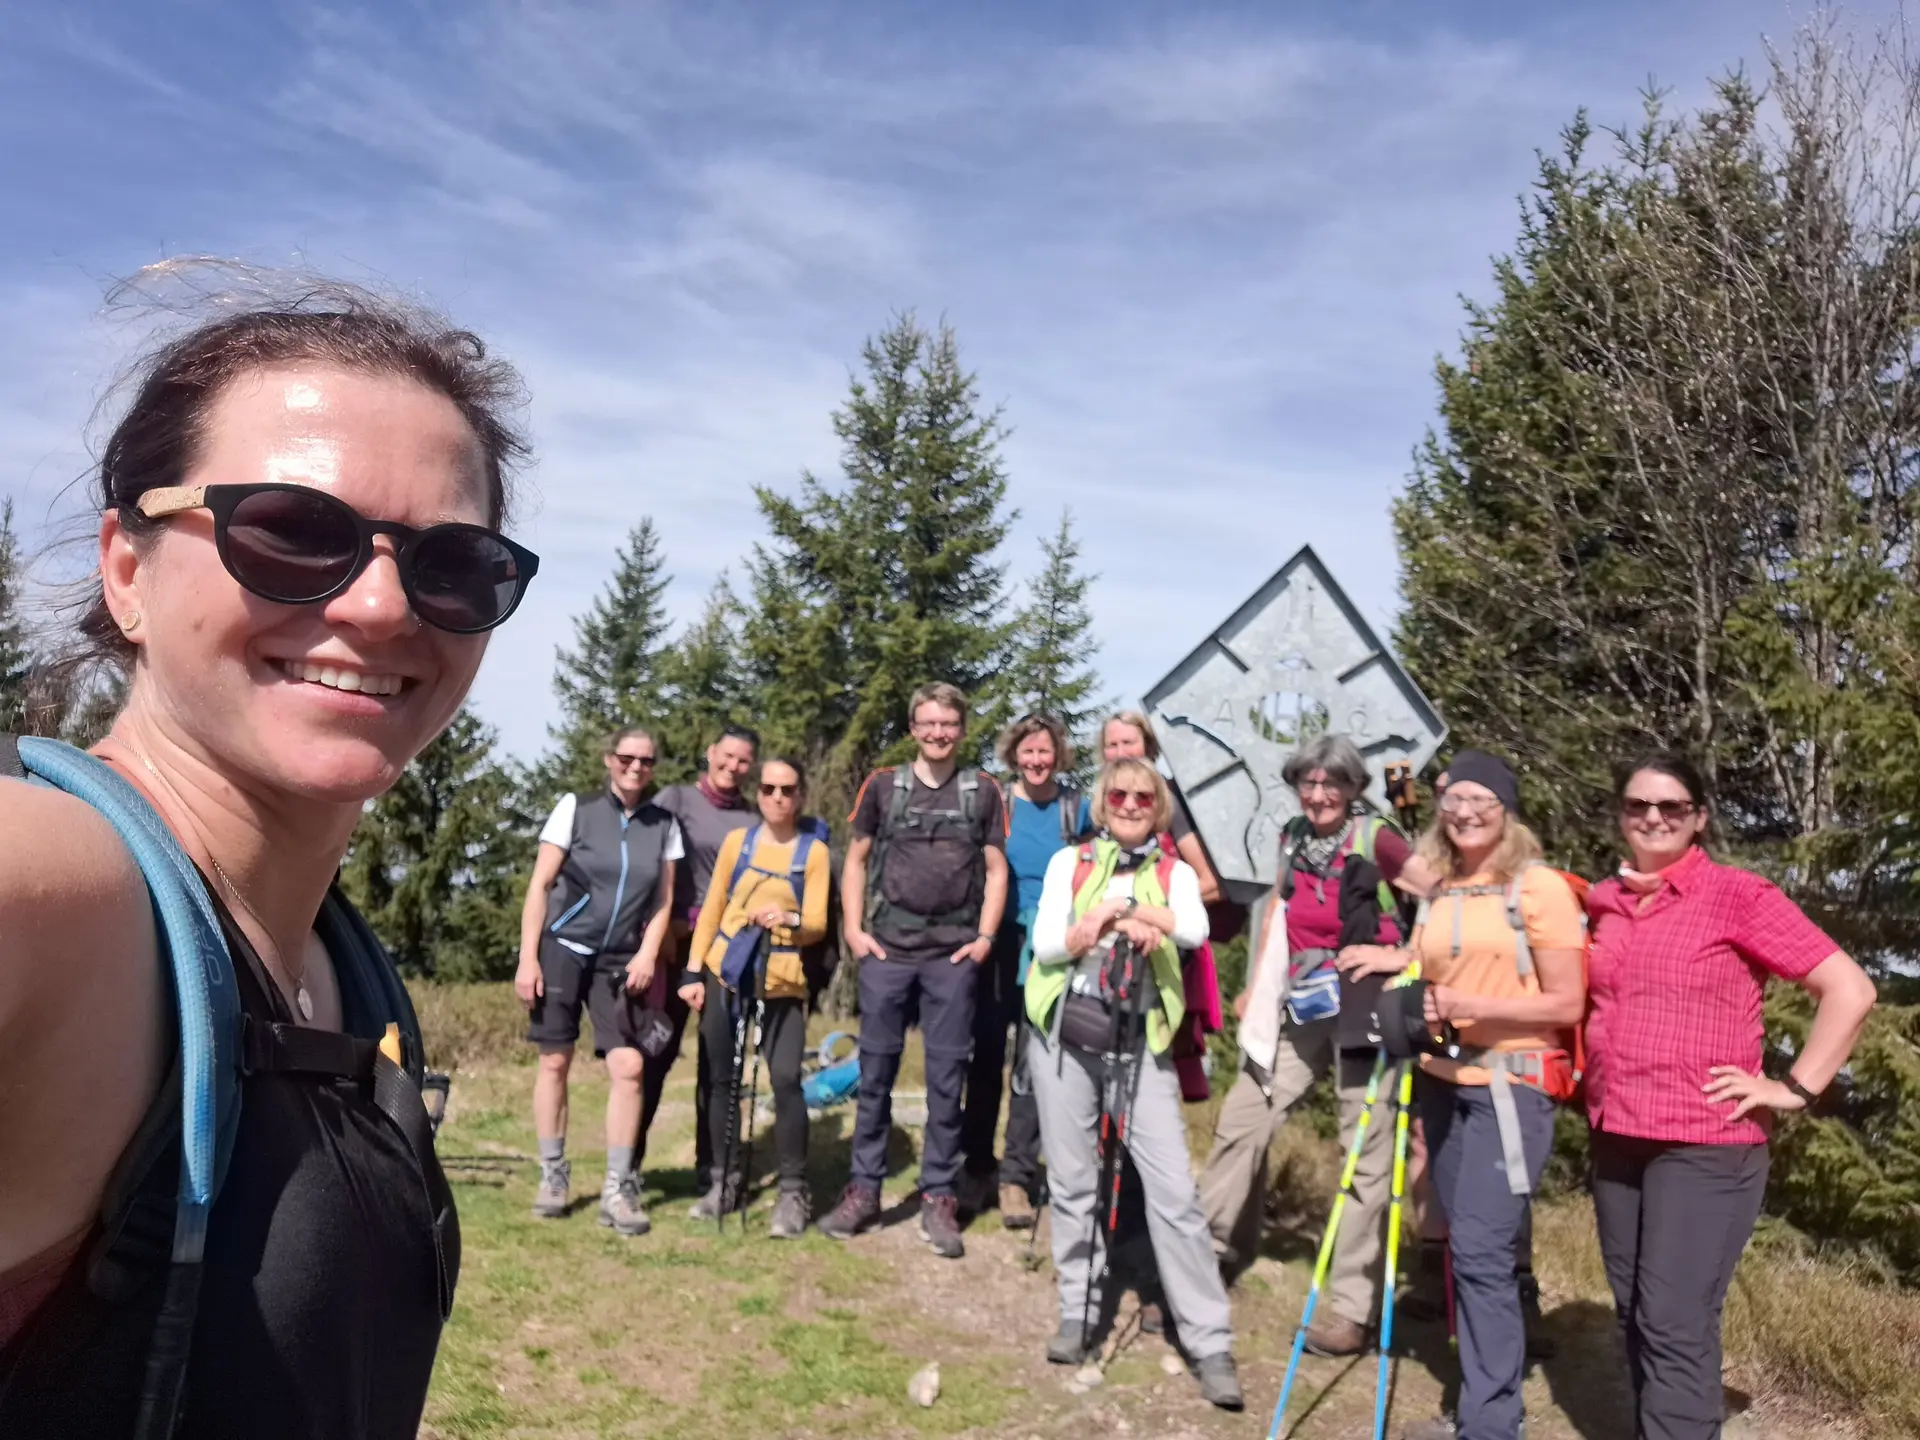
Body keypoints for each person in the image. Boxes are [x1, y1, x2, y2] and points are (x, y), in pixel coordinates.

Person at [0, 277, 536, 1436]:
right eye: (291, 532)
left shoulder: (345, 970)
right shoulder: (60, 885)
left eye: (453, 564)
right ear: (127, 571)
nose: (384, 606)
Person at [1585, 754, 1875, 1440]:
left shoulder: (1737, 895)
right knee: (1635, 1314)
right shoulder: (1605, 901)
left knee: (1674, 1320)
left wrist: (1793, 1087)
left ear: (1699, 818)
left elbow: (1849, 988)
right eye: (1638, 805)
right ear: (1621, 815)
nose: (1653, 817)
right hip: (1617, 1133)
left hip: (1705, 1143)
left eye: (1671, 807)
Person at [1355, 750, 1587, 1440]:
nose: (1463, 812)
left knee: (1484, 1252)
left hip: (1509, 1089)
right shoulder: (1446, 888)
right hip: (1443, 1080)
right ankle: (1479, 1400)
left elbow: (1567, 1003)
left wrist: (1469, 1004)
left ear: (1506, 810)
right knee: (1464, 1247)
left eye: (1480, 799)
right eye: (1453, 799)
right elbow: (1429, 965)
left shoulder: (1537, 888)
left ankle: (1491, 1422)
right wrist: (1399, 982)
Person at [1026, 759, 1243, 1410]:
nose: (1128, 804)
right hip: (1066, 1033)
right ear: (1102, 801)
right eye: (1117, 794)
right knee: (1073, 1183)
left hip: (1140, 1041)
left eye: (1142, 797)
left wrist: (1123, 910)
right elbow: (1048, 944)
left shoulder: (1175, 873)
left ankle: (1209, 1341)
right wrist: (1110, 920)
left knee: (1174, 1192)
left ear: (1159, 808)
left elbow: (1195, 928)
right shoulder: (1071, 863)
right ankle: (1077, 1312)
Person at [1196, 734, 1410, 1356]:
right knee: (1246, 1114)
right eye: (1308, 782)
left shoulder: (1380, 839)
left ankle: (1351, 1310)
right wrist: (1256, 985)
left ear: (1354, 787)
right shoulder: (1293, 836)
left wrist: (1401, 957)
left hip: (1370, 1004)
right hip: (1306, 999)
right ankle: (1206, 1252)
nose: (1318, 794)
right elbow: (1281, 912)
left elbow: (1440, 901)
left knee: (1363, 1150)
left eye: (1331, 783)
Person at [819, 682, 1009, 1260]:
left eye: (948, 723)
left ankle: (938, 1197)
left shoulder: (982, 791)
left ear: (962, 729)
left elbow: (995, 869)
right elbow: (855, 860)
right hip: (888, 953)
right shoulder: (883, 786)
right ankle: (864, 1190)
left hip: (952, 956)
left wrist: (984, 938)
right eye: (928, 723)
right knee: (874, 1074)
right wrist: (855, 932)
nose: (938, 733)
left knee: (947, 1080)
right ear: (913, 728)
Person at [516, 728, 683, 1235]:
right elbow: (541, 884)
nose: (636, 767)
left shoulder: (664, 824)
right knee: (555, 1060)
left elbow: (665, 900)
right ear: (610, 759)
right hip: (563, 949)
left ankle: (618, 1187)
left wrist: (649, 953)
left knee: (630, 1066)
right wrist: (528, 959)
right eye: (627, 757)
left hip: (620, 960)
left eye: (646, 761)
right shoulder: (577, 808)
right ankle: (553, 1174)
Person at [677, 757, 832, 1237]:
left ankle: (793, 1192)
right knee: (721, 1080)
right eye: (768, 789)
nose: (778, 798)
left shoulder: (814, 852)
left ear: (800, 795)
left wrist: (787, 920)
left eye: (787, 790)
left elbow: (817, 924)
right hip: (727, 975)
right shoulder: (737, 844)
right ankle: (724, 1181)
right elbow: (712, 909)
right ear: (758, 793)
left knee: (785, 1080)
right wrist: (693, 972)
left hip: (783, 981)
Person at [958, 713, 1080, 1228]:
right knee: (985, 1058)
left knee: (1032, 1065)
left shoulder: (1077, 810)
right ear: (1013, 755)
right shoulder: (998, 804)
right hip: (996, 942)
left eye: (1044, 751)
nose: (1036, 760)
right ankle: (976, 1167)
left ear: (1058, 755)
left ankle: (1016, 1177)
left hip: (1050, 948)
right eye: (1027, 751)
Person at [654, 725, 761, 1216]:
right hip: (670, 945)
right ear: (710, 752)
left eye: (743, 760)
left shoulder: (753, 818)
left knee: (718, 1064)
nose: (733, 766)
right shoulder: (675, 800)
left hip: (723, 954)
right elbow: (651, 862)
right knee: (654, 1055)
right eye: (727, 755)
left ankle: (713, 1166)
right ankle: (629, 1166)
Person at [1099, 709, 1224, 902]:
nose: (1121, 753)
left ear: (1149, 747)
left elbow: (1211, 883)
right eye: (1112, 745)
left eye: (1128, 743)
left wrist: (1147, 910)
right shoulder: (1102, 804)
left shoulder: (1166, 798)